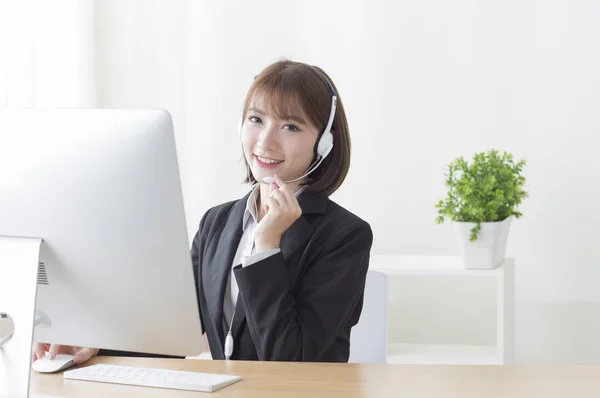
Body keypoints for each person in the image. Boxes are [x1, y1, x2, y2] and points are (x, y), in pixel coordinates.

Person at [32, 59, 373, 364]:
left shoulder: (344, 236)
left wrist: (267, 245)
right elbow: (174, 327)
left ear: (324, 143)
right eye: (256, 119)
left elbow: (289, 359)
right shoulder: (218, 222)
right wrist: (95, 345)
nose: (265, 141)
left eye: (290, 127)